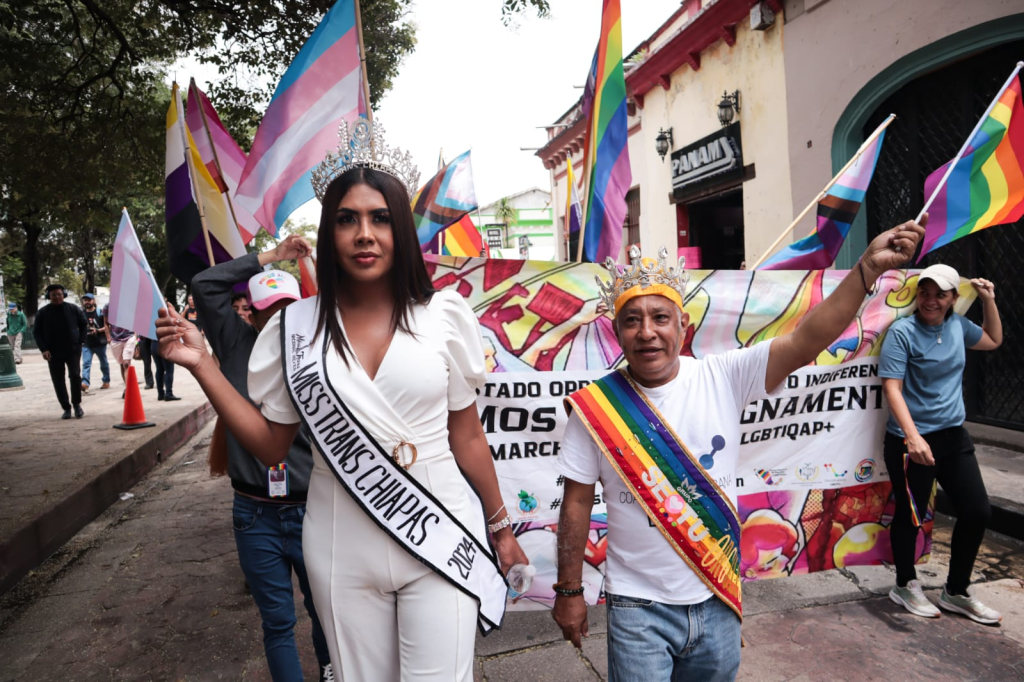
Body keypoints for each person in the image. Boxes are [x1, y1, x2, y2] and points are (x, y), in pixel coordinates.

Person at [157, 119, 527, 681]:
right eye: (347, 219)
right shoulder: (293, 329)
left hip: (440, 525)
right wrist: (204, 365)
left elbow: (468, 434)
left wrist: (501, 528)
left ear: (401, 229)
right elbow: (272, 447)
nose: (364, 234)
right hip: (338, 536)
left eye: (380, 218)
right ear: (329, 233)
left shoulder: (444, 317)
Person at [552, 219, 925, 681]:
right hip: (637, 606)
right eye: (632, 320)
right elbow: (576, 504)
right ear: (617, 331)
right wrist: (568, 591)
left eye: (660, 318)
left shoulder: (723, 376)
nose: (647, 332)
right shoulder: (596, 408)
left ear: (683, 326)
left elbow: (807, 340)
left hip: (716, 595)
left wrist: (866, 268)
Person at [192, 238, 331, 681]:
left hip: (313, 509)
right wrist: (272, 257)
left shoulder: (317, 349)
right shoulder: (235, 344)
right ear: (250, 313)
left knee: (327, 614)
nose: (279, 318)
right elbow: (204, 283)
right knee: (278, 622)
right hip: (255, 513)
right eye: (268, 310)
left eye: (287, 307)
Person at [880, 264, 1002, 624]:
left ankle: (956, 591)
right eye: (925, 292)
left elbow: (992, 340)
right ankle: (904, 584)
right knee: (911, 515)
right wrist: (913, 437)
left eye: (940, 294)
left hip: (953, 437)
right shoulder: (903, 332)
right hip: (912, 440)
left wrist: (988, 300)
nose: (931, 300)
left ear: (953, 298)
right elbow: (892, 388)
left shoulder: (958, 326)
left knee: (977, 511)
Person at [33, 284, 87, 419]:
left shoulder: (73, 309)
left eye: (59, 294)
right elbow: (37, 333)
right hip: (52, 352)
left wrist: (81, 341)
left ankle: (77, 405)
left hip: (72, 350)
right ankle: (66, 408)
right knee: (58, 380)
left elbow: (84, 325)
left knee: (75, 376)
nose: (57, 297)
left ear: (64, 295)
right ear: (48, 296)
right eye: (53, 295)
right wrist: (43, 349)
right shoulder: (42, 313)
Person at [103, 304, 137, 397]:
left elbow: (136, 320)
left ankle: (129, 390)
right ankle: (127, 386)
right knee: (122, 364)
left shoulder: (129, 304)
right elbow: (105, 323)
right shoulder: (108, 306)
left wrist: (135, 336)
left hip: (129, 337)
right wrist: (108, 337)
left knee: (126, 363)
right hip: (115, 339)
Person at [80, 293, 111, 391]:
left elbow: (108, 326)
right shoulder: (81, 314)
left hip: (99, 343)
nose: (87, 302)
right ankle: (85, 383)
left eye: (89, 300)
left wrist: (97, 330)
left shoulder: (100, 312)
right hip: (86, 344)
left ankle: (106, 381)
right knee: (86, 363)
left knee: (103, 363)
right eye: (85, 300)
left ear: (94, 300)